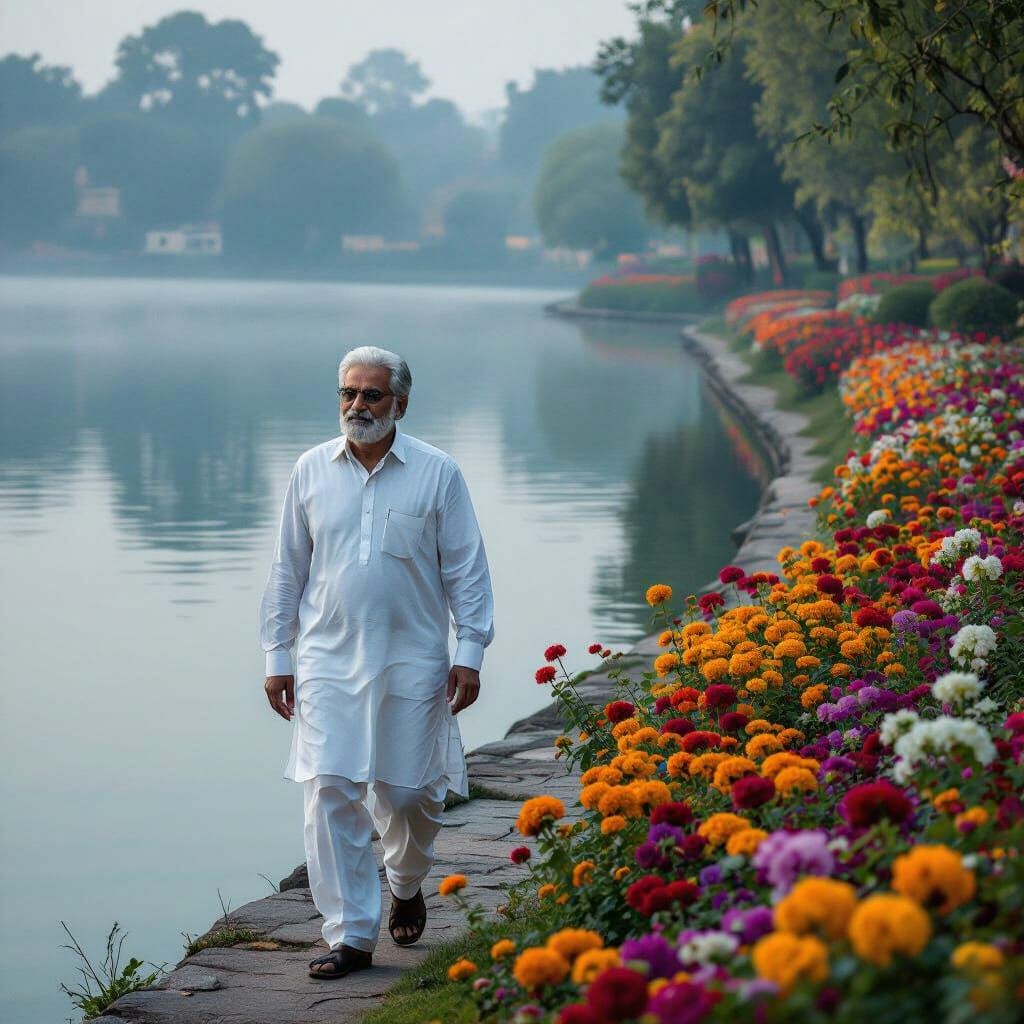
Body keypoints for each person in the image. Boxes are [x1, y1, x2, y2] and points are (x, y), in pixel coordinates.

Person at [259, 346, 494, 980]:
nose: (357, 406)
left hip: (413, 658)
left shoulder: (437, 472)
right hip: (326, 660)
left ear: (401, 404)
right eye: (348, 394)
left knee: (410, 794)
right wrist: (279, 654)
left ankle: (406, 878)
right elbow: (288, 569)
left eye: (371, 395)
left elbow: (467, 568)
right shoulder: (310, 470)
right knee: (330, 793)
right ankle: (351, 936)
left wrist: (468, 652)